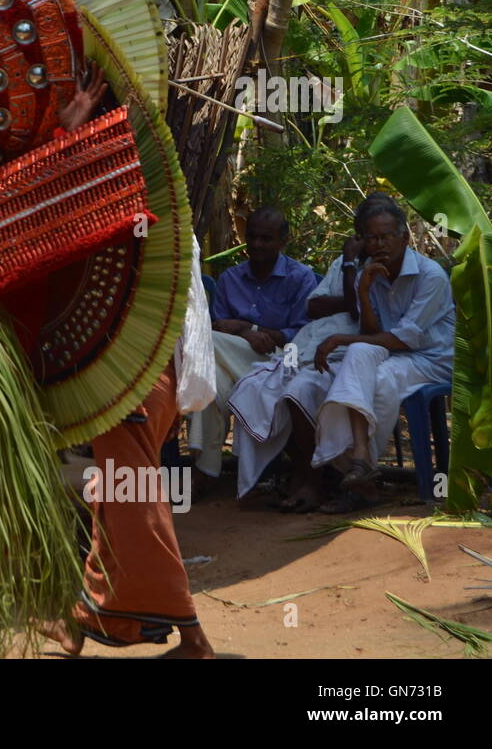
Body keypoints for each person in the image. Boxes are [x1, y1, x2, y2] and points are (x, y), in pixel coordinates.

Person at [229, 199, 455, 512]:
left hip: (430, 358)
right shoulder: (372, 273)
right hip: (392, 352)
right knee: (359, 355)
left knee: (381, 379)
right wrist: (362, 291)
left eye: (386, 236)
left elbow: (403, 338)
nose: (378, 244)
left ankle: (362, 480)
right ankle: (359, 460)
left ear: (405, 238)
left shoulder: (429, 276)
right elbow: (372, 332)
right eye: (371, 238)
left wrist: (339, 338)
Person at [38, 365, 214, 658]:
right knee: (113, 503)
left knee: (135, 509)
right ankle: (76, 623)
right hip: (145, 380)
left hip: (130, 385)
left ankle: (194, 638)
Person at [187, 207, 318, 487]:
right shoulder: (230, 279)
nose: (257, 245)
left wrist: (250, 331)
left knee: (202, 342)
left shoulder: (300, 277)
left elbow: (304, 333)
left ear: (283, 241)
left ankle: (203, 470)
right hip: (235, 359)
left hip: (282, 361)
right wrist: (250, 332)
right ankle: (207, 470)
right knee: (211, 380)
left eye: (266, 238)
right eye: (253, 237)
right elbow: (223, 327)